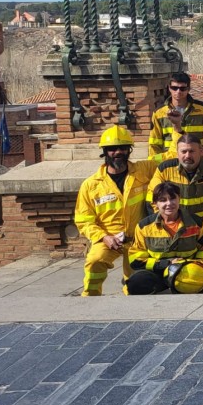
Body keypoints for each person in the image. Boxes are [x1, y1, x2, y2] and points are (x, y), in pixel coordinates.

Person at [74, 126, 160, 296]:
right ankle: (90, 298)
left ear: (129, 150)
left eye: (123, 148)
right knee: (95, 261)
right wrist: (103, 237)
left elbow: (171, 156)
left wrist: (178, 126)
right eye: (113, 149)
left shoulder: (144, 170)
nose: (118, 152)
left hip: (138, 239)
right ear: (105, 152)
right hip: (108, 238)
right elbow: (84, 221)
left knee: (137, 284)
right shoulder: (91, 185)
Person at [126, 182, 203, 295]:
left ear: (179, 199)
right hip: (157, 272)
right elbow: (135, 259)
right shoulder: (144, 226)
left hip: (187, 270)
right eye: (163, 200)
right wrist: (166, 264)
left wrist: (187, 266)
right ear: (155, 203)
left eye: (172, 198)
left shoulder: (198, 224)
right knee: (135, 283)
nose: (169, 203)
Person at [147, 134, 203, 229]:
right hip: (176, 228)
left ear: (200, 151)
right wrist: (164, 220)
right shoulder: (164, 169)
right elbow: (152, 197)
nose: (187, 156)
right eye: (183, 151)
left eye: (192, 151)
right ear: (177, 152)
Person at [148, 72, 203, 161]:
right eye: (174, 88)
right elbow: (154, 143)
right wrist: (155, 164)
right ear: (169, 88)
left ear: (188, 89)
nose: (178, 91)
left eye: (183, 88)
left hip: (195, 161)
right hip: (170, 161)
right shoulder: (159, 112)